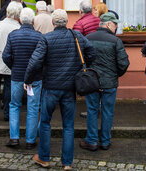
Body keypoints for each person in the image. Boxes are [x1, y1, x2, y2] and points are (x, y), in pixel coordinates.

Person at [25, 9, 96, 170]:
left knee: (44, 122)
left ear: (52, 23)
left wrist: (27, 79)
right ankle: (67, 163)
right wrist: (82, 65)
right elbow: (92, 52)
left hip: (50, 87)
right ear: (66, 22)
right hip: (70, 88)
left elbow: (35, 61)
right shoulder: (76, 36)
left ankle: (44, 158)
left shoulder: (46, 38)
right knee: (69, 126)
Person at [80, 12, 130, 151]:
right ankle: (105, 141)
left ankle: (91, 140)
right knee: (108, 112)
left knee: (92, 110)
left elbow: (82, 61)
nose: (116, 27)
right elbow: (124, 63)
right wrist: (115, 75)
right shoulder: (115, 41)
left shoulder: (88, 38)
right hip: (110, 83)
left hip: (92, 82)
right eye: (115, 24)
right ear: (108, 24)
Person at [2, 7, 43, 149]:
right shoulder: (39, 36)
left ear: (20, 19)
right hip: (35, 78)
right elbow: (42, 58)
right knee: (33, 107)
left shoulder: (13, 35)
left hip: (17, 76)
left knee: (14, 105)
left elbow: (5, 56)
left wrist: (13, 67)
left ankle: (14, 138)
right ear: (32, 20)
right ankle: (31, 140)